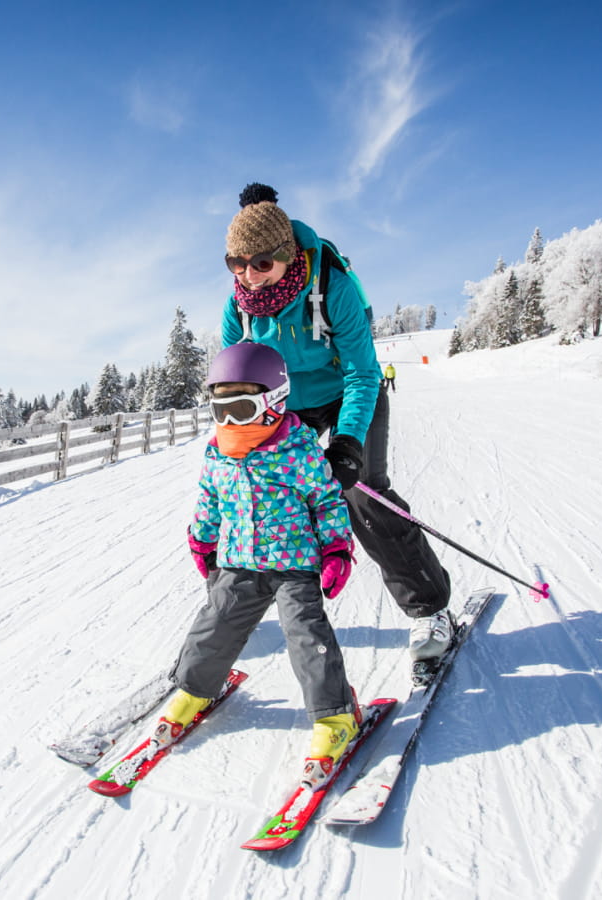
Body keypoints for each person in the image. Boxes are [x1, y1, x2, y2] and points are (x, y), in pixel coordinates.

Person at [219, 183, 453, 665]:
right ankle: (236, 610)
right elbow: (234, 376)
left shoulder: (334, 286)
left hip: (348, 391)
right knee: (258, 493)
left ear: (287, 254)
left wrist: (346, 443)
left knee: (362, 491)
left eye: (261, 263)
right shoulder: (238, 304)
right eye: (237, 264)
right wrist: (238, 436)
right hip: (286, 405)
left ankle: (429, 608)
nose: (250, 275)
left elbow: (364, 372)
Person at [158, 342, 360, 787]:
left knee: (307, 636)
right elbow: (210, 499)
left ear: (273, 402)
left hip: (293, 563)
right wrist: (202, 538)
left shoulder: (298, 450)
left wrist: (336, 549)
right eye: (220, 408)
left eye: (241, 407)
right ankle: (194, 689)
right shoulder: (217, 452)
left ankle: (335, 716)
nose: (229, 421)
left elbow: (327, 501)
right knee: (214, 623)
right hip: (238, 561)